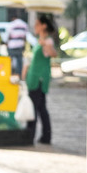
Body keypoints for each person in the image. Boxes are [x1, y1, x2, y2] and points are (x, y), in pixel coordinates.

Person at [25, 14, 58, 145]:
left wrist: (46, 45)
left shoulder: (47, 41)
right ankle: (44, 136)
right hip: (35, 78)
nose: (35, 27)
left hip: (39, 79)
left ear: (43, 26)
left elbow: (53, 53)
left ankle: (31, 135)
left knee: (36, 108)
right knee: (40, 108)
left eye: (37, 24)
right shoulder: (40, 40)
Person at [3, 15, 30, 79]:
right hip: (20, 45)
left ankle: (10, 74)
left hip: (12, 45)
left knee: (10, 61)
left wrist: (6, 44)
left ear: (13, 18)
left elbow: (8, 36)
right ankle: (19, 76)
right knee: (19, 61)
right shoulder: (24, 24)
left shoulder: (11, 24)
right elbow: (25, 37)